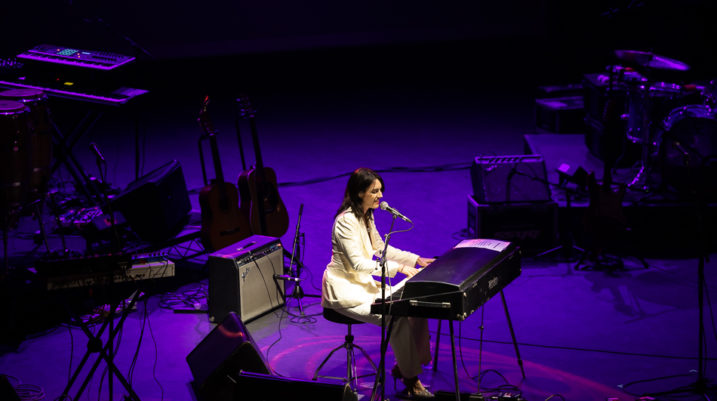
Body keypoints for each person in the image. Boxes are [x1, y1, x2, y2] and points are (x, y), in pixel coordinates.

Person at [321, 167, 436, 399]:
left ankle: (405, 366)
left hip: (363, 286)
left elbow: (380, 249)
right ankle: (411, 380)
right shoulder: (345, 222)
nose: (380, 196)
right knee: (395, 315)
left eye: (381, 190)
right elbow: (357, 264)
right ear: (359, 192)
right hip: (345, 292)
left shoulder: (366, 215)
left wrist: (416, 259)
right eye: (374, 191)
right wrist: (399, 268)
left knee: (414, 303)